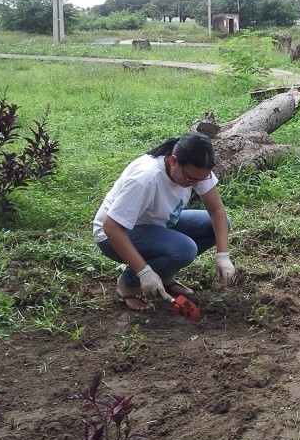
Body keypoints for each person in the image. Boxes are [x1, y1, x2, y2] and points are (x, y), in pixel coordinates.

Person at [92, 132, 235, 311]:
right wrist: (144, 272)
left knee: (215, 226)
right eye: (190, 179)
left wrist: (223, 256)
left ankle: (164, 275)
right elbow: (110, 226)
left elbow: (216, 210)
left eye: (201, 180)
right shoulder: (146, 178)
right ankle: (128, 284)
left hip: (157, 224)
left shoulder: (196, 171)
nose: (195, 184)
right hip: (115, 234)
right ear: (173, 161)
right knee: (184, 249)